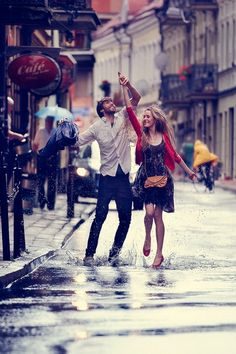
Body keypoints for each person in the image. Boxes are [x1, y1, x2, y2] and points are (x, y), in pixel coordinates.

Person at [121, 83, 196, 268]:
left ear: (155, 119)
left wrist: (189, 172)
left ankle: (159, 253)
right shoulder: (141, 134)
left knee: (157, 216)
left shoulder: (163, 136)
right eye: (144, 116)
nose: (144, 118)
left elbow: (175, 156)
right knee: (148, 213)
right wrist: (126, 86)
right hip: (146, 179)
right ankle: (147, 238)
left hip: (162, 180)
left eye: (147, 116)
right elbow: (130, 110)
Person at [79, 72, 141, 266]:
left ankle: (114, 254)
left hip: (123, 177)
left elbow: (136, 98)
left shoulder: (123, 116)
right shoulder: (96, 127)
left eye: (111, 102)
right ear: (101, 109)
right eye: (107, 102)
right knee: (100, 217)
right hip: (106, 178)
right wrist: (65, 134)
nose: (111, 103)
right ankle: (89, 255)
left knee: (126, 218)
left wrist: (128, 85)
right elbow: (79, 140)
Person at [32, 116, 58, 210]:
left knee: (52, 182)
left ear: (53, 122)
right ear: (46, 121)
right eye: (48, 121)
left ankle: (51, 204)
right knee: (41, 180)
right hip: (42, 157)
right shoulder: (41, 131)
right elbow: (35, 145)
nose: (49, 123)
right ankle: (42, 201)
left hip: (53, 157)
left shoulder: (56, 131)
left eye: (51, 121)